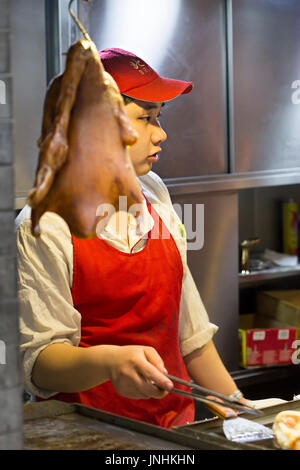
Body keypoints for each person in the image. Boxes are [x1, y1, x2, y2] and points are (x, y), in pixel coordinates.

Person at [16, 48, 245, 429]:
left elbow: (187, 327)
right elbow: (40, 362)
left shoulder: (153, 192)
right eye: (145, 118)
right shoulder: (46, 224)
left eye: (159, 117)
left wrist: (241, 406)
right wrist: (110, 362)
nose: (161, 134)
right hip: (90, 434)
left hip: (173, 429)